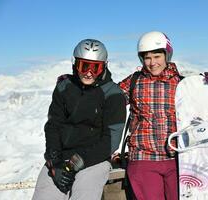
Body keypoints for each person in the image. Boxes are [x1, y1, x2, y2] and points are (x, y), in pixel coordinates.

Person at [32, 39, 126, 200]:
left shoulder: (113, 94)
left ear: (104, 66)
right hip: (62, 157)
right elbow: (53, 125)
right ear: (75, 64)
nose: (89, 72)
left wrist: (75, 163)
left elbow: (111, 140)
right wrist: (55, 162)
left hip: (94, 160)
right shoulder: (64, 87)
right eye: (84, 66)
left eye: (95, 68)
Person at [119, 31, 182, 200]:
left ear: (166, 55)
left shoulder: (182, 83)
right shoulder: (134, 81)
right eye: (147, 58)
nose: (152, 63)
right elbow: (109, 101)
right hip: (143, 157)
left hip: (177, 158)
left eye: (157, 56)